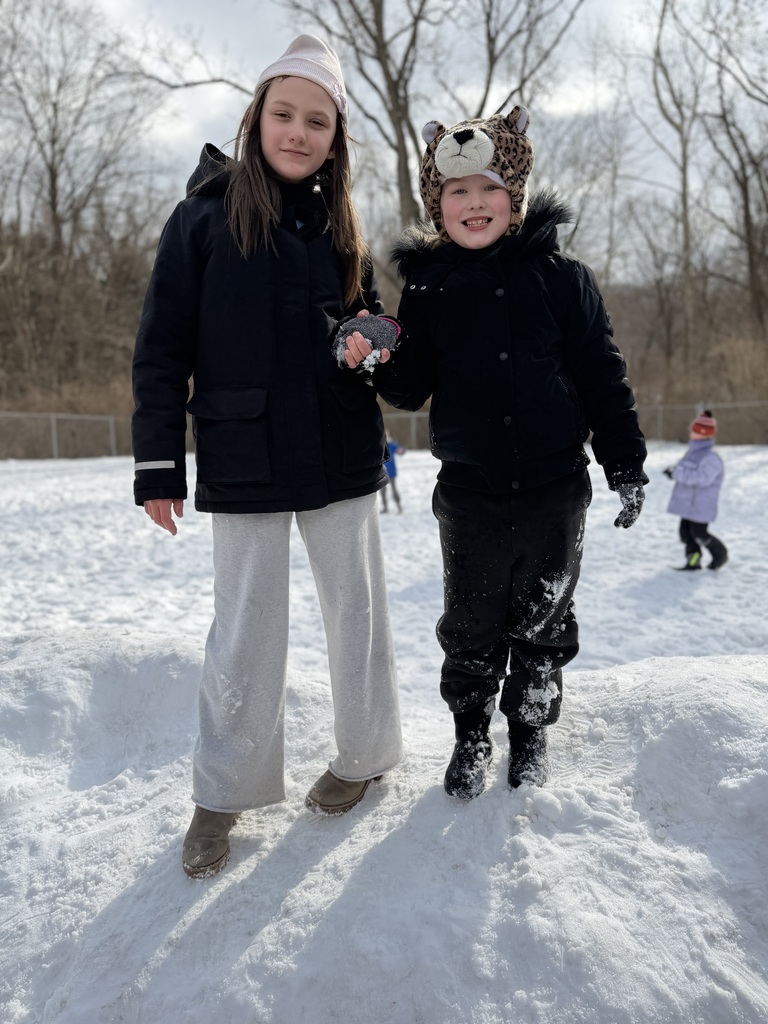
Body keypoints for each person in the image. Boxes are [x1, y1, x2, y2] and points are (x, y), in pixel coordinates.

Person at [132, 35, 402, 878]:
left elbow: (371, 324)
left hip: (340, 450)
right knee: (244, 630)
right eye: (284, 114)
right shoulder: (203, 217)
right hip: (242, 450)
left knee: (356, 614)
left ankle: (364, 754)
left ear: (336, 135)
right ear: (257, 119)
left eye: (316, 120)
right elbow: (161, 346)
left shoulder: (342, 223)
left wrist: (375, 339)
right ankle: (223, 794)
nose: (298, 131)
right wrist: (156, 466)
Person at [342, 106, 647, 799]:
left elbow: (603, 373)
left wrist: (624, 464)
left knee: (542, 619)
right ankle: (471, 733)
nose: (474, 203)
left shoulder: (562, 278)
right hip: (470, 492)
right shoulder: (429, 287)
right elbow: (411, 388)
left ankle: (531, 728)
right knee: (472, 623)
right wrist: (373, 357)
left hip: (554, 487)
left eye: (488, 188)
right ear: (437, 204)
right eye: (457, 192)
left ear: (515, 196)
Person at [664, 410, 728, 571]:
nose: (690, 432)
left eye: (694, 430)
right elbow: (685, 470)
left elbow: (702, 478)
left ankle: (720, 554)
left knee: (699, 534)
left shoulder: (711, 458)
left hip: (700, 505)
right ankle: (693, 561)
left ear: (703, 434)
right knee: (685, 533)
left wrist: (677, 474)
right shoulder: (692, 453)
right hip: (688, 504)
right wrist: (674, 471)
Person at [381, 431, 404, 513]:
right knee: (382, 491)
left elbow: (400, 450)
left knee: (394, 490)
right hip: (381, 474)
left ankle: (399, 506)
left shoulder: (391, 445)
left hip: (391, 473)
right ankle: (385, 507)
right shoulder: (379, 446)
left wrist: (401, 451)